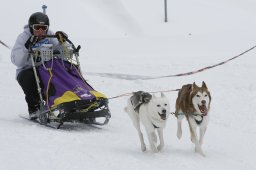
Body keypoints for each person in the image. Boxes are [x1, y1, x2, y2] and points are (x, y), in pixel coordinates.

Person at [11, 12, 66, 119]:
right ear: (31, 27)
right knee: (29, 78)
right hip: (27, 70)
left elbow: (62, 54)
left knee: (62, 75)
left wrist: (62, 43)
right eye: (37, 27)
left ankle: (66, 103)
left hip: (45, 68)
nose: (40, 31)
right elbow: (17, 61)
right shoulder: (23, 37)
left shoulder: (49, 34)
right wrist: (26, 48)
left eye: (43, 28)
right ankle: (34, 109)